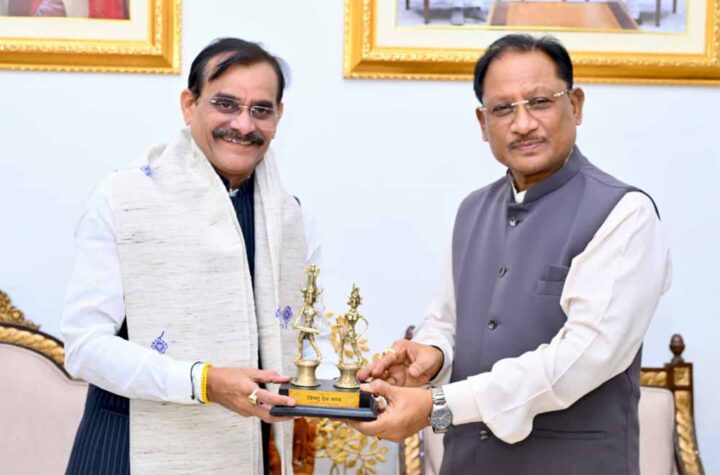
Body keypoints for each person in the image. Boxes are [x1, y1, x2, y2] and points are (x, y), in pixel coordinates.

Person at [352, 34, 672, 475]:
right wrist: (433, 355)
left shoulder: (624, 213)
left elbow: (582, 359)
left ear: (575, 105)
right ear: (483, 123)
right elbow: (446, 322)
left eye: (539, 102)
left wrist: (438, 404)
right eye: (503, 109)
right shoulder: (471, 210)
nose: (522, 124)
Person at [61, 38, 324, 474]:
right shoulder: (122, 198)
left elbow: (307, 340)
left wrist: (361, 383)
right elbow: (85, 347)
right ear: (189, 104)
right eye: (225, 104)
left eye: (261, 109)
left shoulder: (292, 217)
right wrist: (203, 382)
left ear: (278, 117)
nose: (243, 124)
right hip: (126, 450)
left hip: (247, 452)